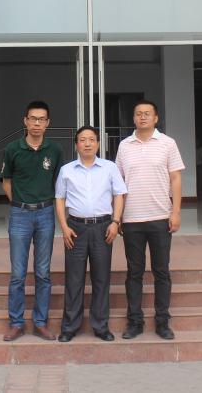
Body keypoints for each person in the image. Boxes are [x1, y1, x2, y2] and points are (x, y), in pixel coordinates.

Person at [115, 99, 185, 340]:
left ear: (156, 118)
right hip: (132, 219)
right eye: (138, 113)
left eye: (147, 113)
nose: (142, 117)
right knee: (134, 272)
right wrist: (118, 217)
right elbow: (119, 184)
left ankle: (162, 321)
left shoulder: (167, 143)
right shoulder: (124, 146)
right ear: (133, 118)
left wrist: (176, 212)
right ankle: (135, 321)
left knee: (161, 271)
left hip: (160, 217)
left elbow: (175, 179)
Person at [54, 126, 127, 343]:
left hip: (103, 227)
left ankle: (101, 326)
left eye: (92, 139)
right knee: (74, 279)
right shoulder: (67, 170)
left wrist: (115, 222)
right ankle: (70, 326)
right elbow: (59, 199)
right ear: (76, 144)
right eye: (82, 140)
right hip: (75, 229)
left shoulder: (109, 168)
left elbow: (119, 194)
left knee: (101, 278)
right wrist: (64, 227)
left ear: (98, 143)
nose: (87, 143)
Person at [0, 100, 63, 341]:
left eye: (41, 119)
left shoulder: (54, 150)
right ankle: (16, 323)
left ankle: (40, 322)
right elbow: (7, 182)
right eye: (33, 119)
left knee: (43, 272)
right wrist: (20, 204)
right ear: (25, 121)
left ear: (48, 123)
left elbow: (58, 182)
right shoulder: (12, 149)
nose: (37, 123)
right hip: (20, 215)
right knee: (18, 273)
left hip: (46, 214)